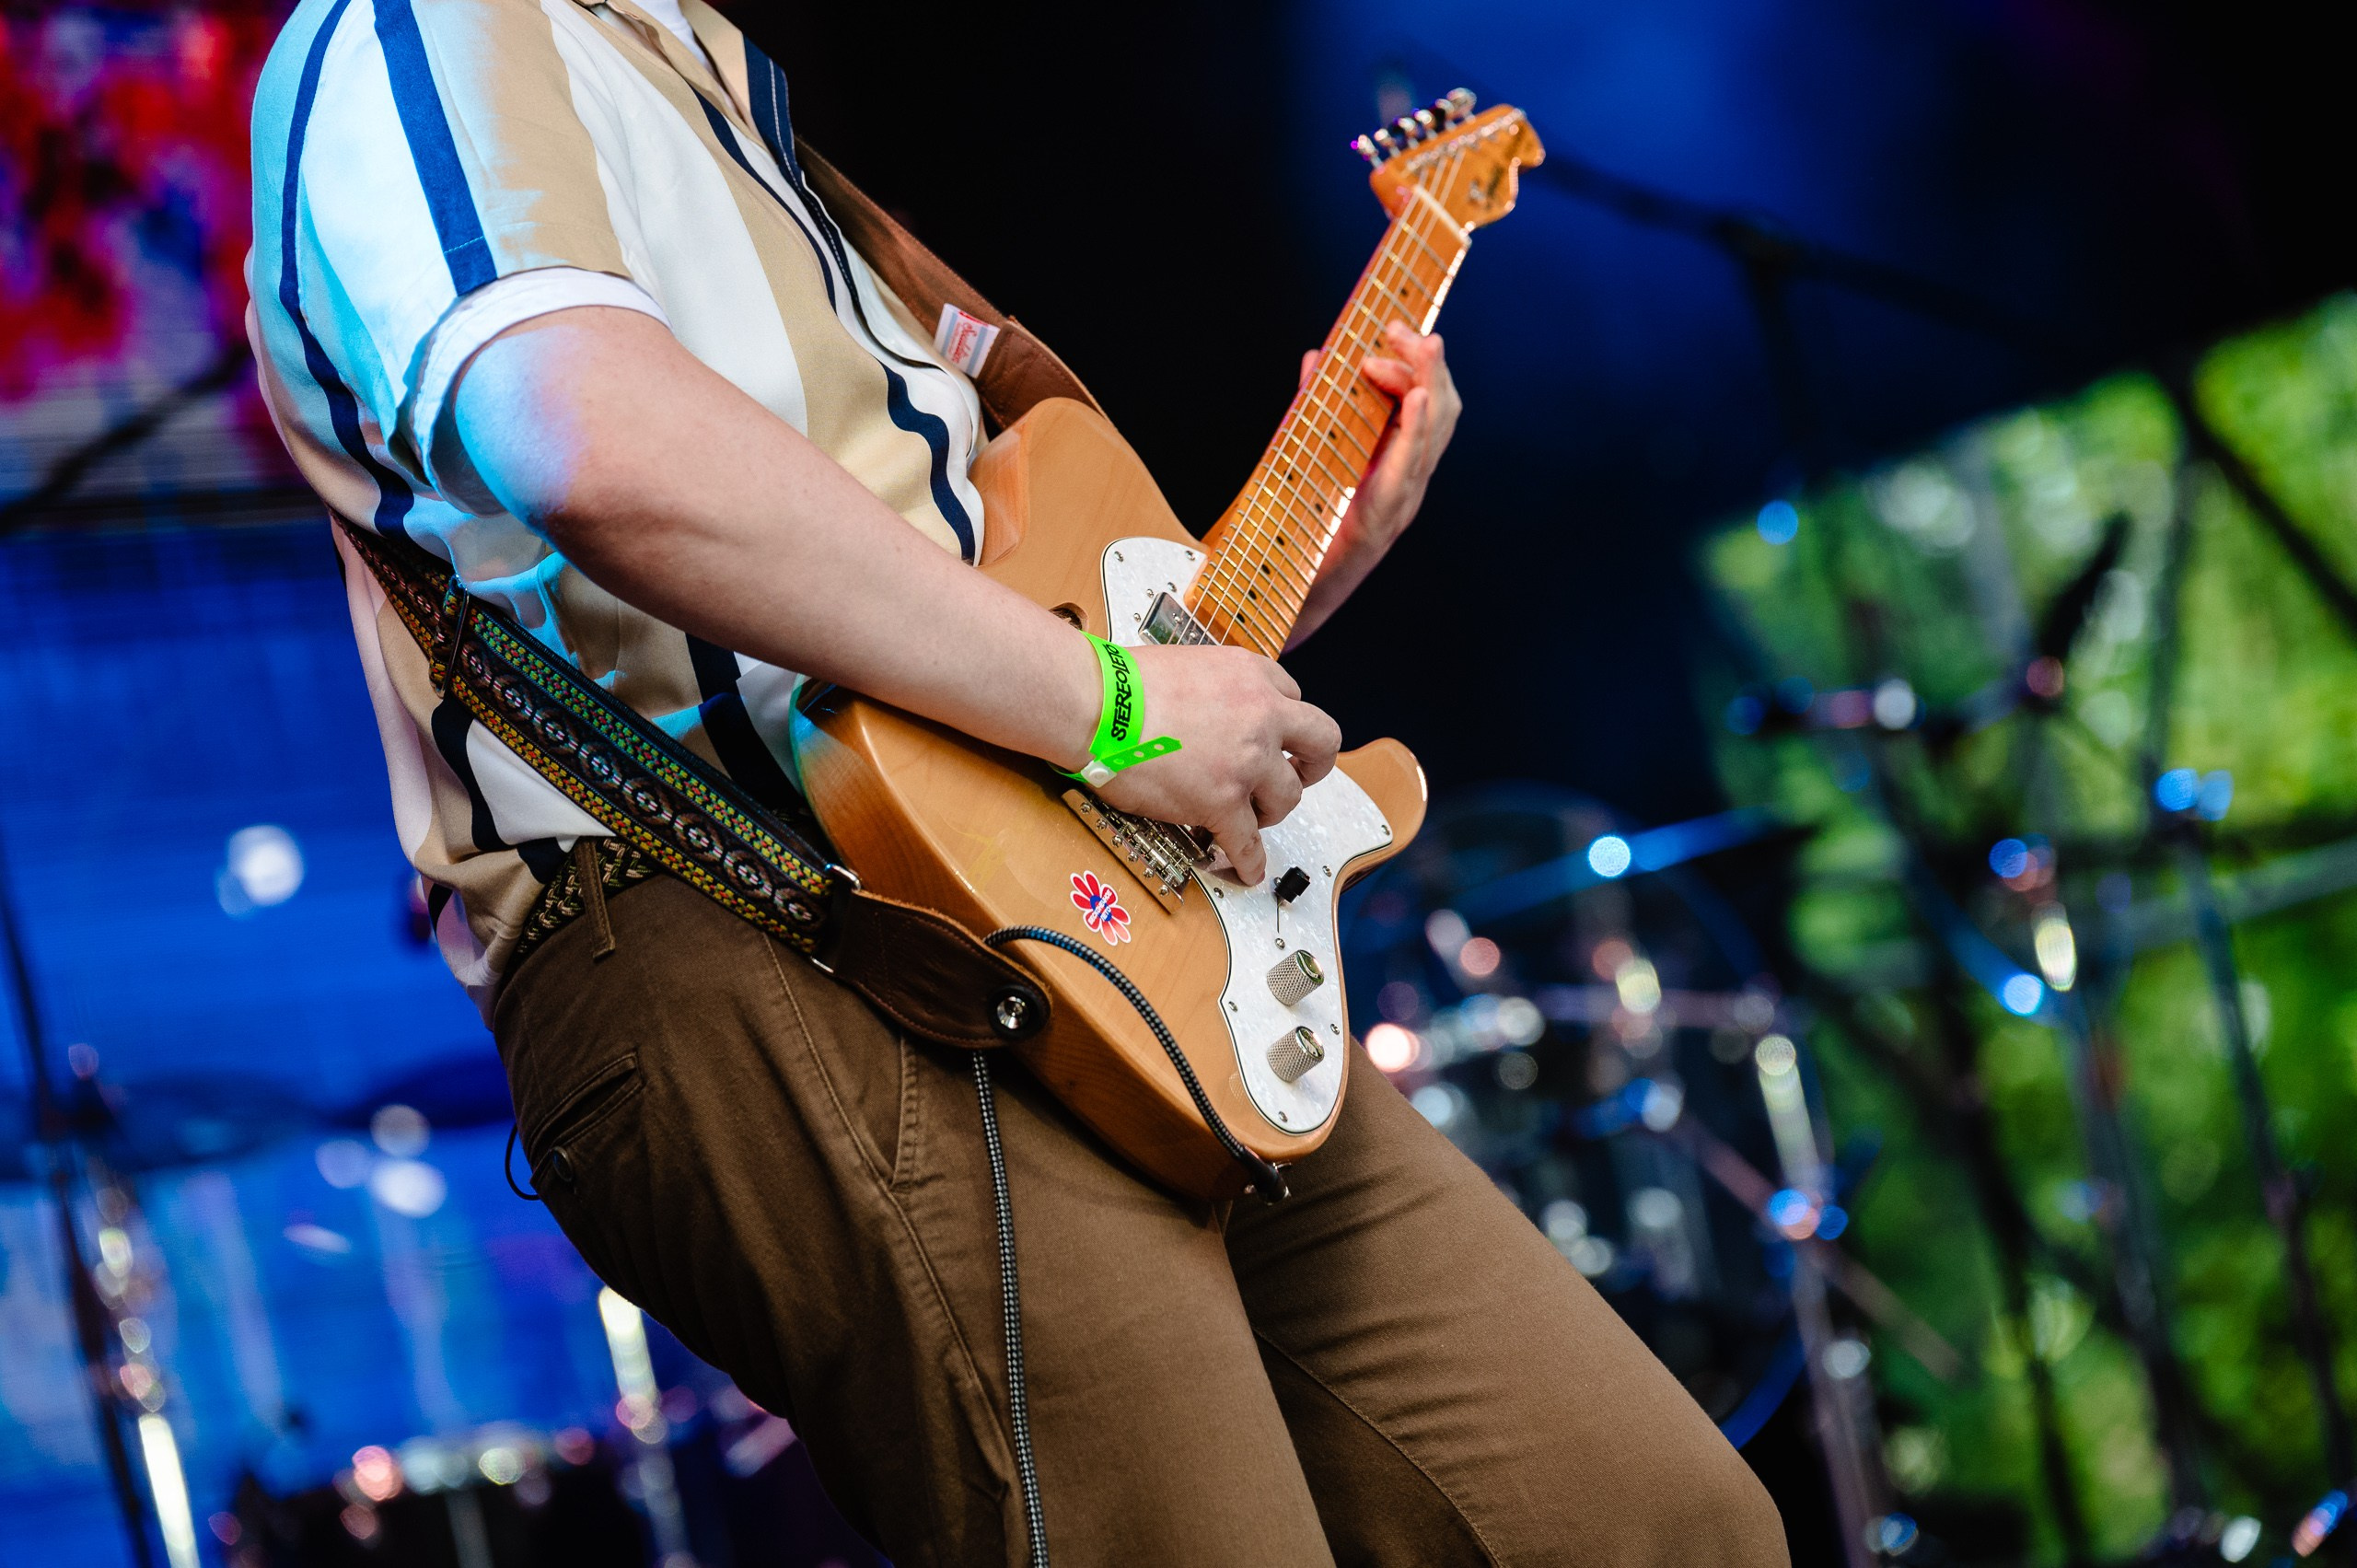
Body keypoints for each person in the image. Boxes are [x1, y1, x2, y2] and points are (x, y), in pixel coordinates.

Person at [249, 1, 1790, 1562]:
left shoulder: (714, 79)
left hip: (1072, 892)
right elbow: (583, 440)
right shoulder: (422, 25)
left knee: (1658, 1523)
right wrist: (1116, 709)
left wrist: (1267, 604)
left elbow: (985, 618)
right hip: (763, 909)